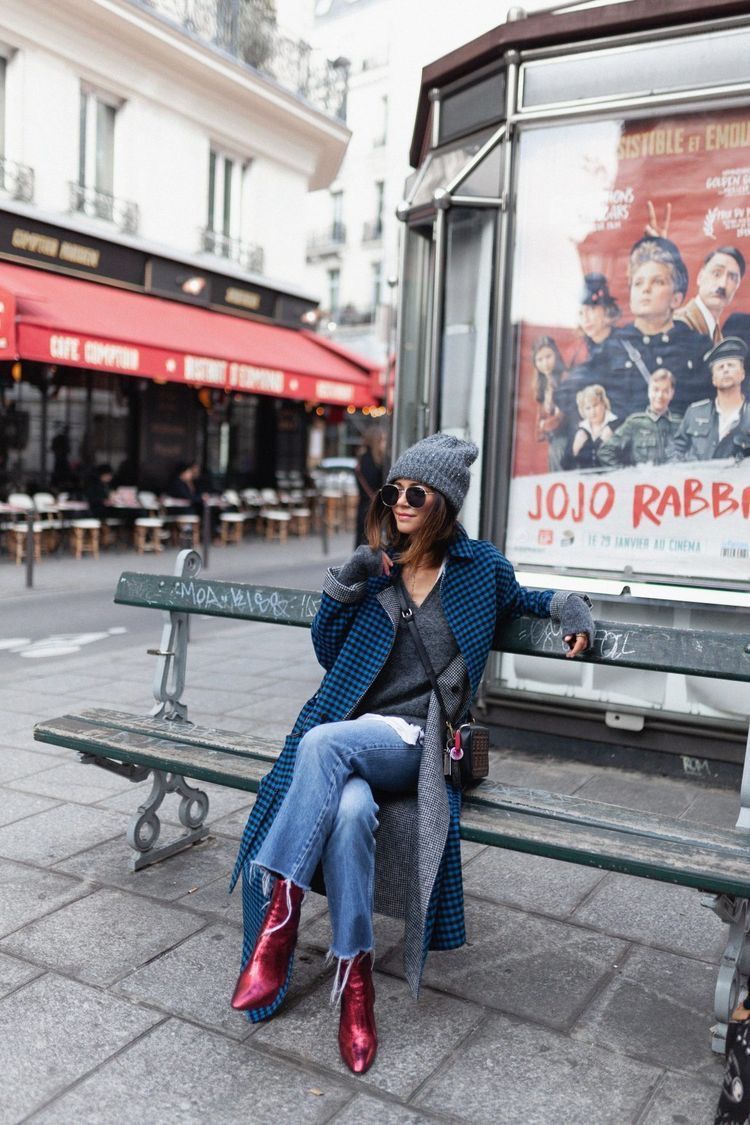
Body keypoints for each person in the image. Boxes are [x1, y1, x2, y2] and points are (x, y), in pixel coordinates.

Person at [228, 433, 595, 1075]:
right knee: (345, 815)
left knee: (321, 743)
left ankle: (279, 920)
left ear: (444, 504)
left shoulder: (480, 569)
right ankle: (357, 986)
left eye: (415, 494)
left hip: (422, 740)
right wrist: (345, 584)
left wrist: (572, 608)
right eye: (393, 490)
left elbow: (534, 602)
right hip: (356, 737)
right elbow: (328, 651)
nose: (399, 502)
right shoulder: (381, 569)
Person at [668, 336, 750, 462]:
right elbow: (675, 449)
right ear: (713, 379)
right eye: (720, 367)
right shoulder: (695, 413)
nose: (726, 370)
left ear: (742, 374)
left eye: (731, 365)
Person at [597, 368, 681, 468]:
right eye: (656, 390)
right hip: (645, 482)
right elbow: (605, 452)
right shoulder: (634, 423)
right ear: (649, 391)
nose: (660, 396)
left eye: (665, 391)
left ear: (672, 393)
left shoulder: (680, 424)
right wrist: (625, 474)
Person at [675, 246, 746, 344]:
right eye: (716, 273)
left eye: (732, 278)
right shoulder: (679, 325)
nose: (723, 285)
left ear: (737, 286)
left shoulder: (716, 334)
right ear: (700, 277)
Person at [532, 335, 570, 472]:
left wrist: (545, 426)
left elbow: (564, 416)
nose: (545, 363)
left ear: (556, 356)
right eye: (539, 359)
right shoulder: (542, 383)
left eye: (548, 357)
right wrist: (541, 427)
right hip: (554, 439)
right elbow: (541, 413)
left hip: (566, 438)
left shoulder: (565, 379)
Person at [565, 384, 617, 469]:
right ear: (583, 410)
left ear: (603, 404)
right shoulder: (580, 430)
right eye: (588, 408)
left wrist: (601, 441)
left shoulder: (616, 426)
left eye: (595, 405)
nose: (593, 412)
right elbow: (565, 465)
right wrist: (574, 450)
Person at [354, 427, 387, 545]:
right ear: (376, 442)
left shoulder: (361, 460)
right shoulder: (377, 463)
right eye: (382, 440)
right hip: (373, 508)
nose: (385, 444)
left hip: (363, 507)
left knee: (362, 544)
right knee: (371, 543)